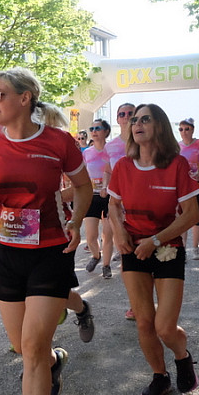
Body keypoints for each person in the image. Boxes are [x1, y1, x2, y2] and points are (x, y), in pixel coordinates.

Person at [0, 67, 92, 395]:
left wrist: (76, 221)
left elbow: (84, 186)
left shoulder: (58, 141)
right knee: (25, 348)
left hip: (50, 251)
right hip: (7, 251)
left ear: (25, 98)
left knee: (32, 345)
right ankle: (55, 360)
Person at [108, 103, 199, 395]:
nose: (137, 124)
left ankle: (182, 356)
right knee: (145, 322)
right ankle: (160, 376)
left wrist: (156, 240)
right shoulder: (123, 166)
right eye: (134, 120)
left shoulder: (177, 165)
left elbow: (191, 214)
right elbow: (113, 204)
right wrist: (119, 232)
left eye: (145, 119)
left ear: (159, 125)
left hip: (168, 248)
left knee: (165, 327)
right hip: (132, 248)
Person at [105, 102, 136, 320]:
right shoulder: (111, 147)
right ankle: (135, 303)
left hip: (143, 205)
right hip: (118, 206)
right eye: (121, 114)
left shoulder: (146, 142)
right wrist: (106, 190)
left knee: (145, 253)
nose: (125, 117)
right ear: (117, 119)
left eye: (130, 113)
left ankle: (147, 298)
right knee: (126, 254)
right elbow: (108, 170)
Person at [177, 118, 199, 260]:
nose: (184, 132)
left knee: (196, 216)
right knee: (182, 217)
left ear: (192, 130)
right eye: (181, 129)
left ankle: (195, 248)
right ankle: (182, 250)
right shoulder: (177, 146)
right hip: (183, 187)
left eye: (187, 129)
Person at [82, 119, 114, 278]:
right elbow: (82, 174)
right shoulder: (87, 152)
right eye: (92, 128)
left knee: (107, 234)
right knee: (90, 236)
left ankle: (106, 266)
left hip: (109, 196)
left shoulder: (112, 150)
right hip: (92, 196)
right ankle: (96, 256)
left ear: (106, 131)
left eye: (98, 128)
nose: (94, 131)